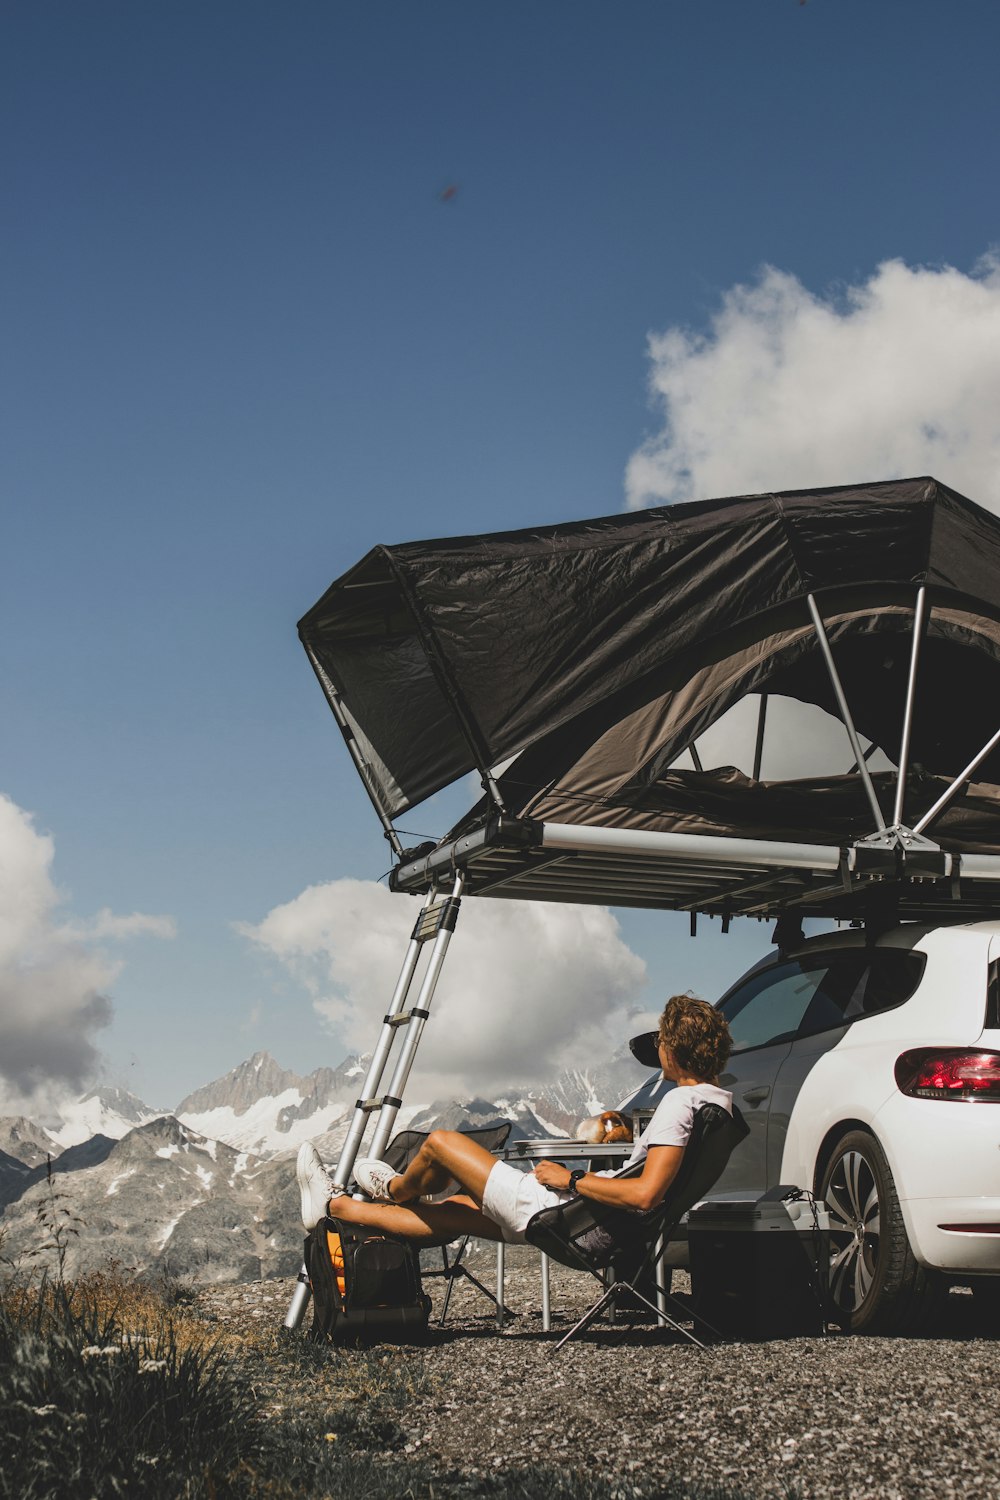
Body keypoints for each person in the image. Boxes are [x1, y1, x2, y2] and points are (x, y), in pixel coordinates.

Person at [296, 993, 733, 1246]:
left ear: (672, 1052)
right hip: (586, 1222)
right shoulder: (718, 1104)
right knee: (453, 1213)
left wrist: (570, 1181)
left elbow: (644, 1195)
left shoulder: (681, 1102)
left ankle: (390, 1187)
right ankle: (334, 1207)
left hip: (564, 1213)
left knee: (440, 1144)